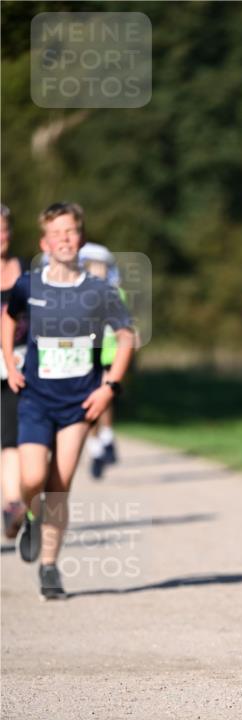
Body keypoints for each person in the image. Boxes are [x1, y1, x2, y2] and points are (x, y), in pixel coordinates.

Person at [1, 202, 134, 599]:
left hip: (79, 402)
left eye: (71, 231)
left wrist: (109, 387)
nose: (64, 238)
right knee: (31, 478)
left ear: (81, 237)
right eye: (56, 233)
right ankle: (29, 512)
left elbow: (125, 336)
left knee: (59, 484)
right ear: (44, 242)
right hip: (35, 397)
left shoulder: (99, 290)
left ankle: (49, 567)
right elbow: (9, 318)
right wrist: (10, 359)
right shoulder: (29, 285)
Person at [78, 242, 123, 478]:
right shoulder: (77, 295)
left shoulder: (116, 293)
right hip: (86, 358)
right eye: (92, 266)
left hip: (110, 357)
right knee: (91, 404)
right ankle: (96, 447)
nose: (97, 271)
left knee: (104, 398)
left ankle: (105, 437)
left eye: (101, 266)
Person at [0, 204, 27, 538]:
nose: (1, 236)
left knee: (11, 437)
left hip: (17, 366)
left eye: (5, 229)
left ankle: (12, 504)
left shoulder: (26, 270)